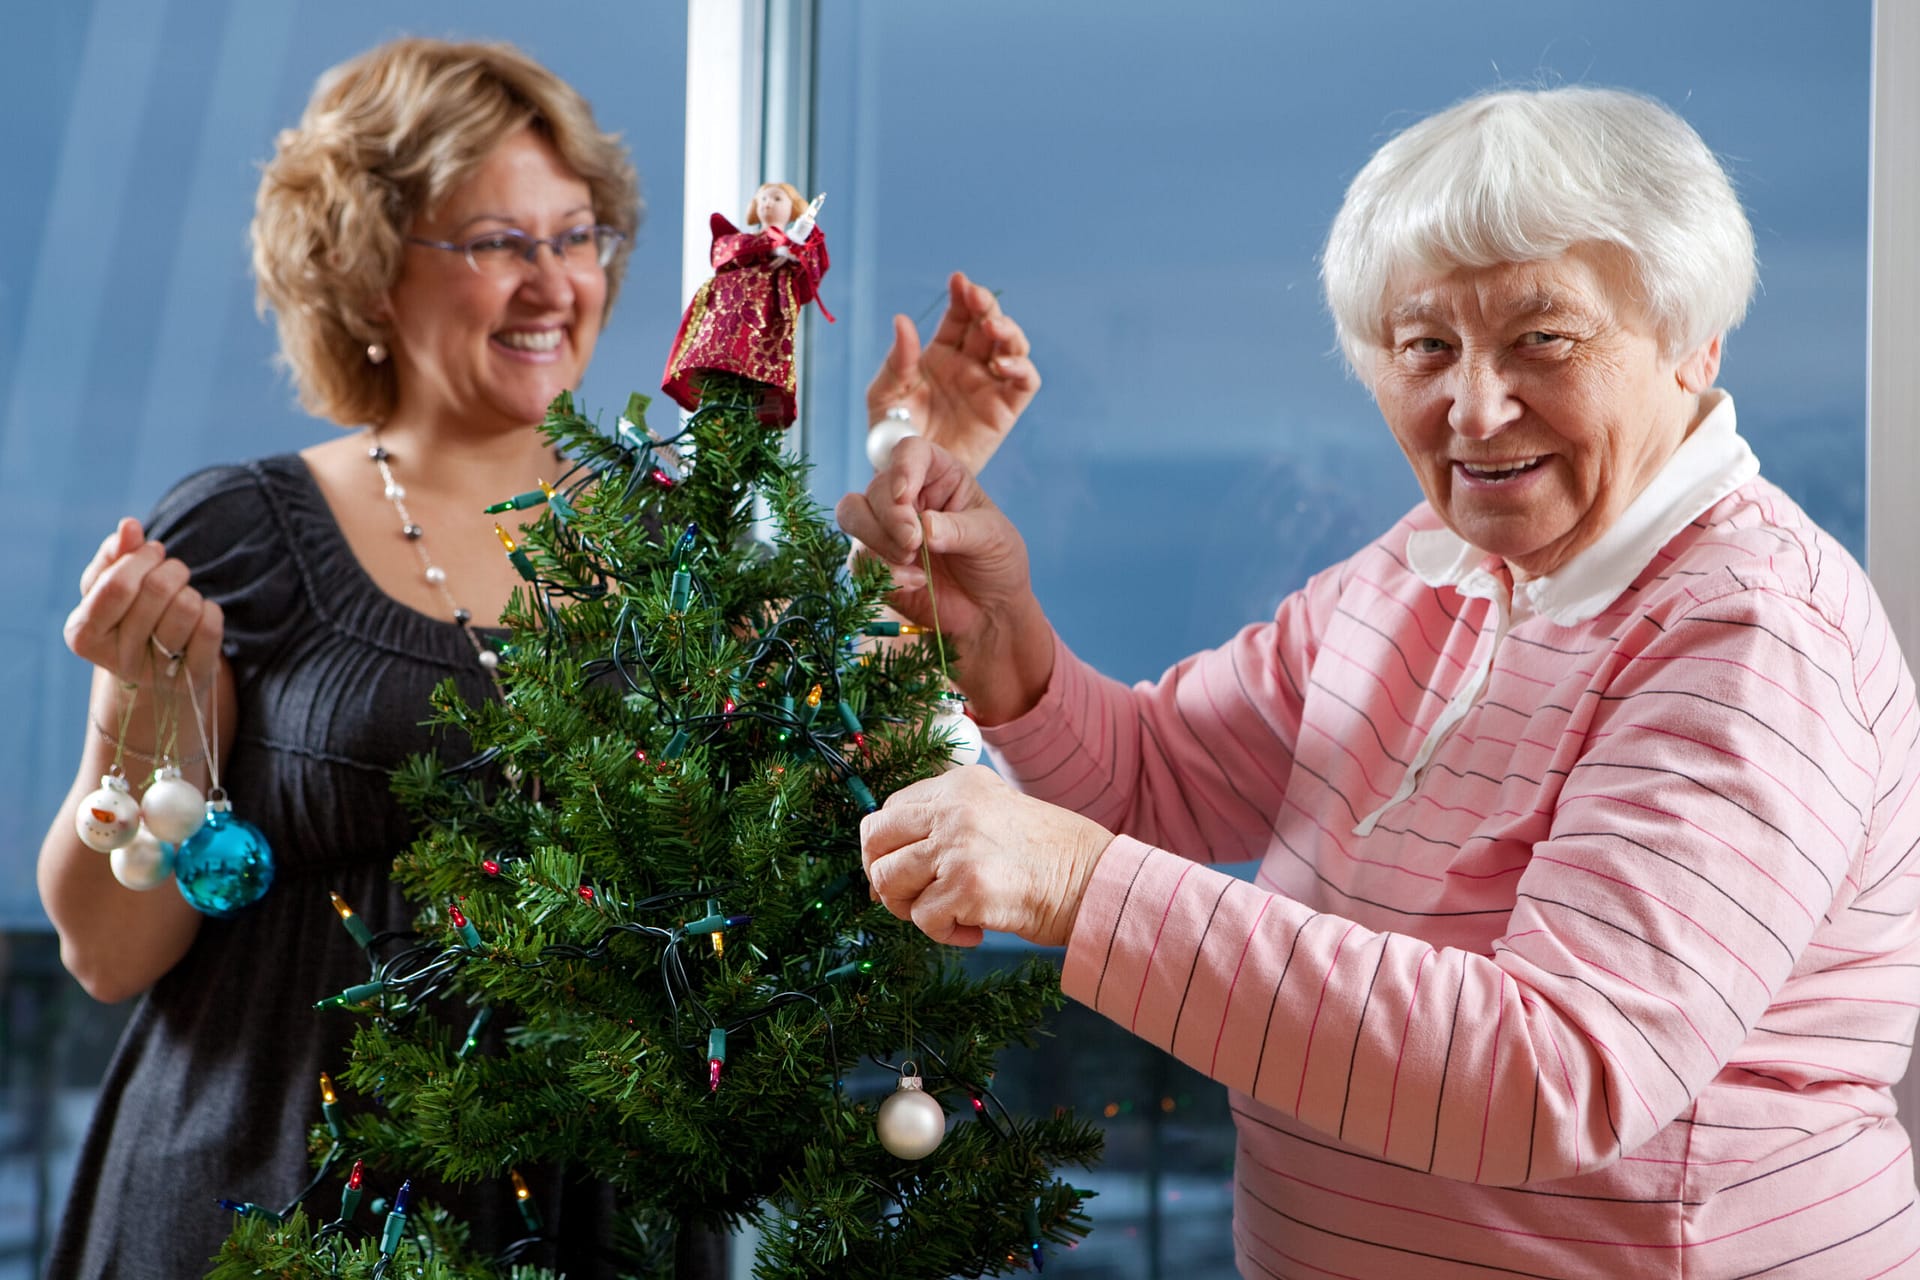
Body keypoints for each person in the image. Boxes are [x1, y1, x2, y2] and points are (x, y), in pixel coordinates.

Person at [842, 85, 1920, 1278]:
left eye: (1541, 338)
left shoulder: (1750, 630)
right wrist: (1005, 649)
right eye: (1426, 347)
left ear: (1691, 341)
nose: (1474, 405)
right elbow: (1157, 776)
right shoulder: (1419, 577)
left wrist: (1077, 883)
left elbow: (1555, 1073)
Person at [37, 36, 1036, 1279]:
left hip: (595, 1214)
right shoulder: (233, 540)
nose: (554, 282)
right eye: (498, 241)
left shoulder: (682, 541)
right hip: (267, 1200)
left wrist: (924, 488)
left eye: (579, 237)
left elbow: (842, 813)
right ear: (363, 269)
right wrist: (140, 692)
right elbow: (107, 949)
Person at [662, 180, 831, 427]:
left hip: (768, 319)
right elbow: (725, 251)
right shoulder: (743, 242)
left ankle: (755, 397)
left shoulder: (793, 248)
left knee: (763, 363)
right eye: (763, 199)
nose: (767, 204)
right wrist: (772, 247)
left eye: (776, 198)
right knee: (726, 349)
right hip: (733, 316)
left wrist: (794, 251)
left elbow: (808, 276)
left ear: (793, 208)